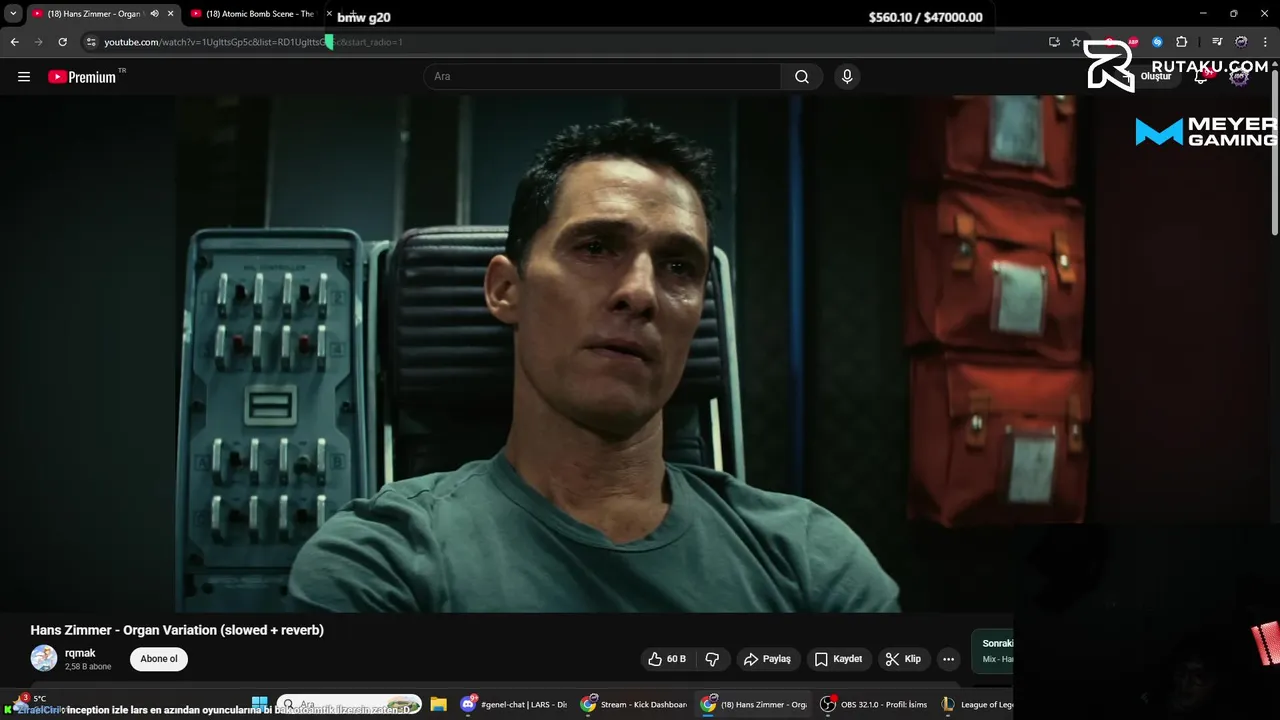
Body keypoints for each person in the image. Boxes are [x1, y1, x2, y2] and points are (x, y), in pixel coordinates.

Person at [288, 118, 899, 612]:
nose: (640, 292)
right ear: (506, 290)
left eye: (679, 267)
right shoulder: (381, 560)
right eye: (596, 247)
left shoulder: (810, 559)